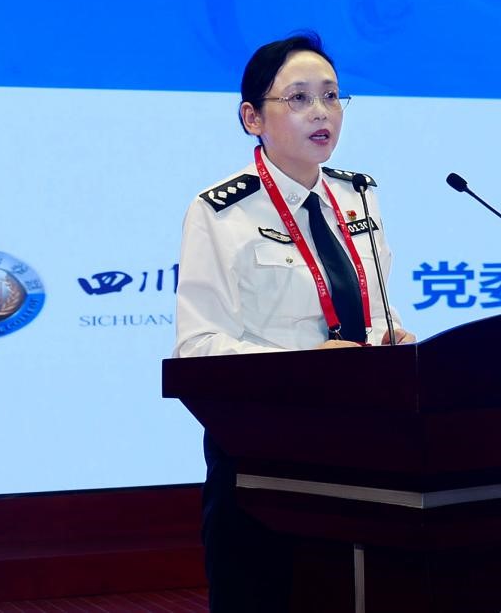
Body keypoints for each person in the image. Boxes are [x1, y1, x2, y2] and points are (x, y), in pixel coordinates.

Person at [173, 33, 413, 612]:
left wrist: (392, 337)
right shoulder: (220, 211)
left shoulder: (359, 197)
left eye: (331, 95)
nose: (321, 112)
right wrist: (305, 368)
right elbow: (198, 347)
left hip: (362, 444)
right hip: (264, 457)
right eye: (299, 98)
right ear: (252, 117)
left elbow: (372, 304)